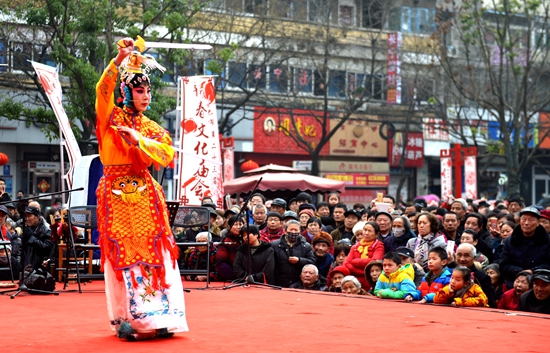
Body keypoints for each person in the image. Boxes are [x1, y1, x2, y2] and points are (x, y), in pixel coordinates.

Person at [95, 37, 189, 340]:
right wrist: (119, 59)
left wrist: (139, 141)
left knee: (155, 253)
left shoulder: (150, 128)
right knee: (123, 255)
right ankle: (129, 318)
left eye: (148, 90)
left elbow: (166, 154)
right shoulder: (109, 120)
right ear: (126, 91)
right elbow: (102, 90)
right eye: (139, 90)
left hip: (146, 197)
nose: (146, 96)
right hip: (117, 195)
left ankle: (159, 318)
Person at [500, 206, 550, 289]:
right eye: (523, 219)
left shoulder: (547, 241)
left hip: (540, 285)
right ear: (519, 221)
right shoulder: (510, 241)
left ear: (538, 222)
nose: (526, 223)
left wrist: (532, 271)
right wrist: (520, 272)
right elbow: (504, 265)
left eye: (531, 220)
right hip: (514, 284)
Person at [272, 220, 316, 287]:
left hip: (298, 283)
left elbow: (312, 261)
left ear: (300, 232)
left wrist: (299, 260)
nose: (293, 232)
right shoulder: (275, 245)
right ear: (285, 231)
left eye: (296, 230)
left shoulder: (306, 246)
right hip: (278, 282)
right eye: (291, 229)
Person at [451, 243, 497, 308]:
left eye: (466, 256)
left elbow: (489, 302)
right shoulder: (450, 273)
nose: (462, 259)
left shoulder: (482, 278)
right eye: (459, 255)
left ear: (474, 258)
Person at [343, 221, 385, 290]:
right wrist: (365, 272)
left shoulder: (379, 246)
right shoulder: (355, 246)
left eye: (369, 231)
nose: (366, 233)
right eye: (365, 230)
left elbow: (374, 262)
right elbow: (346, 264)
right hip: (355, 282)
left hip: (370, 282)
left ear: (377, 234)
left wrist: (354, 261)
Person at [21, 206, 53, 273]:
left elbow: (47, 249)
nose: (27, 219)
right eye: (25, 216)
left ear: (37, 217)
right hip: (25, 268)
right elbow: (21, 249)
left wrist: (31, 238)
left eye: (29, 216)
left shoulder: (46, 230)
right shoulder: (26, 229)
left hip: (39, 269)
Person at [216, 215, 244, 281]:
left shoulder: (246, 239)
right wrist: (236, 277)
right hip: (233, 277)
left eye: (240, 224)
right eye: (235, 225)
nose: (238, 227)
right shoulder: (225, 241)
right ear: (229, 227)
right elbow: (221, 263)